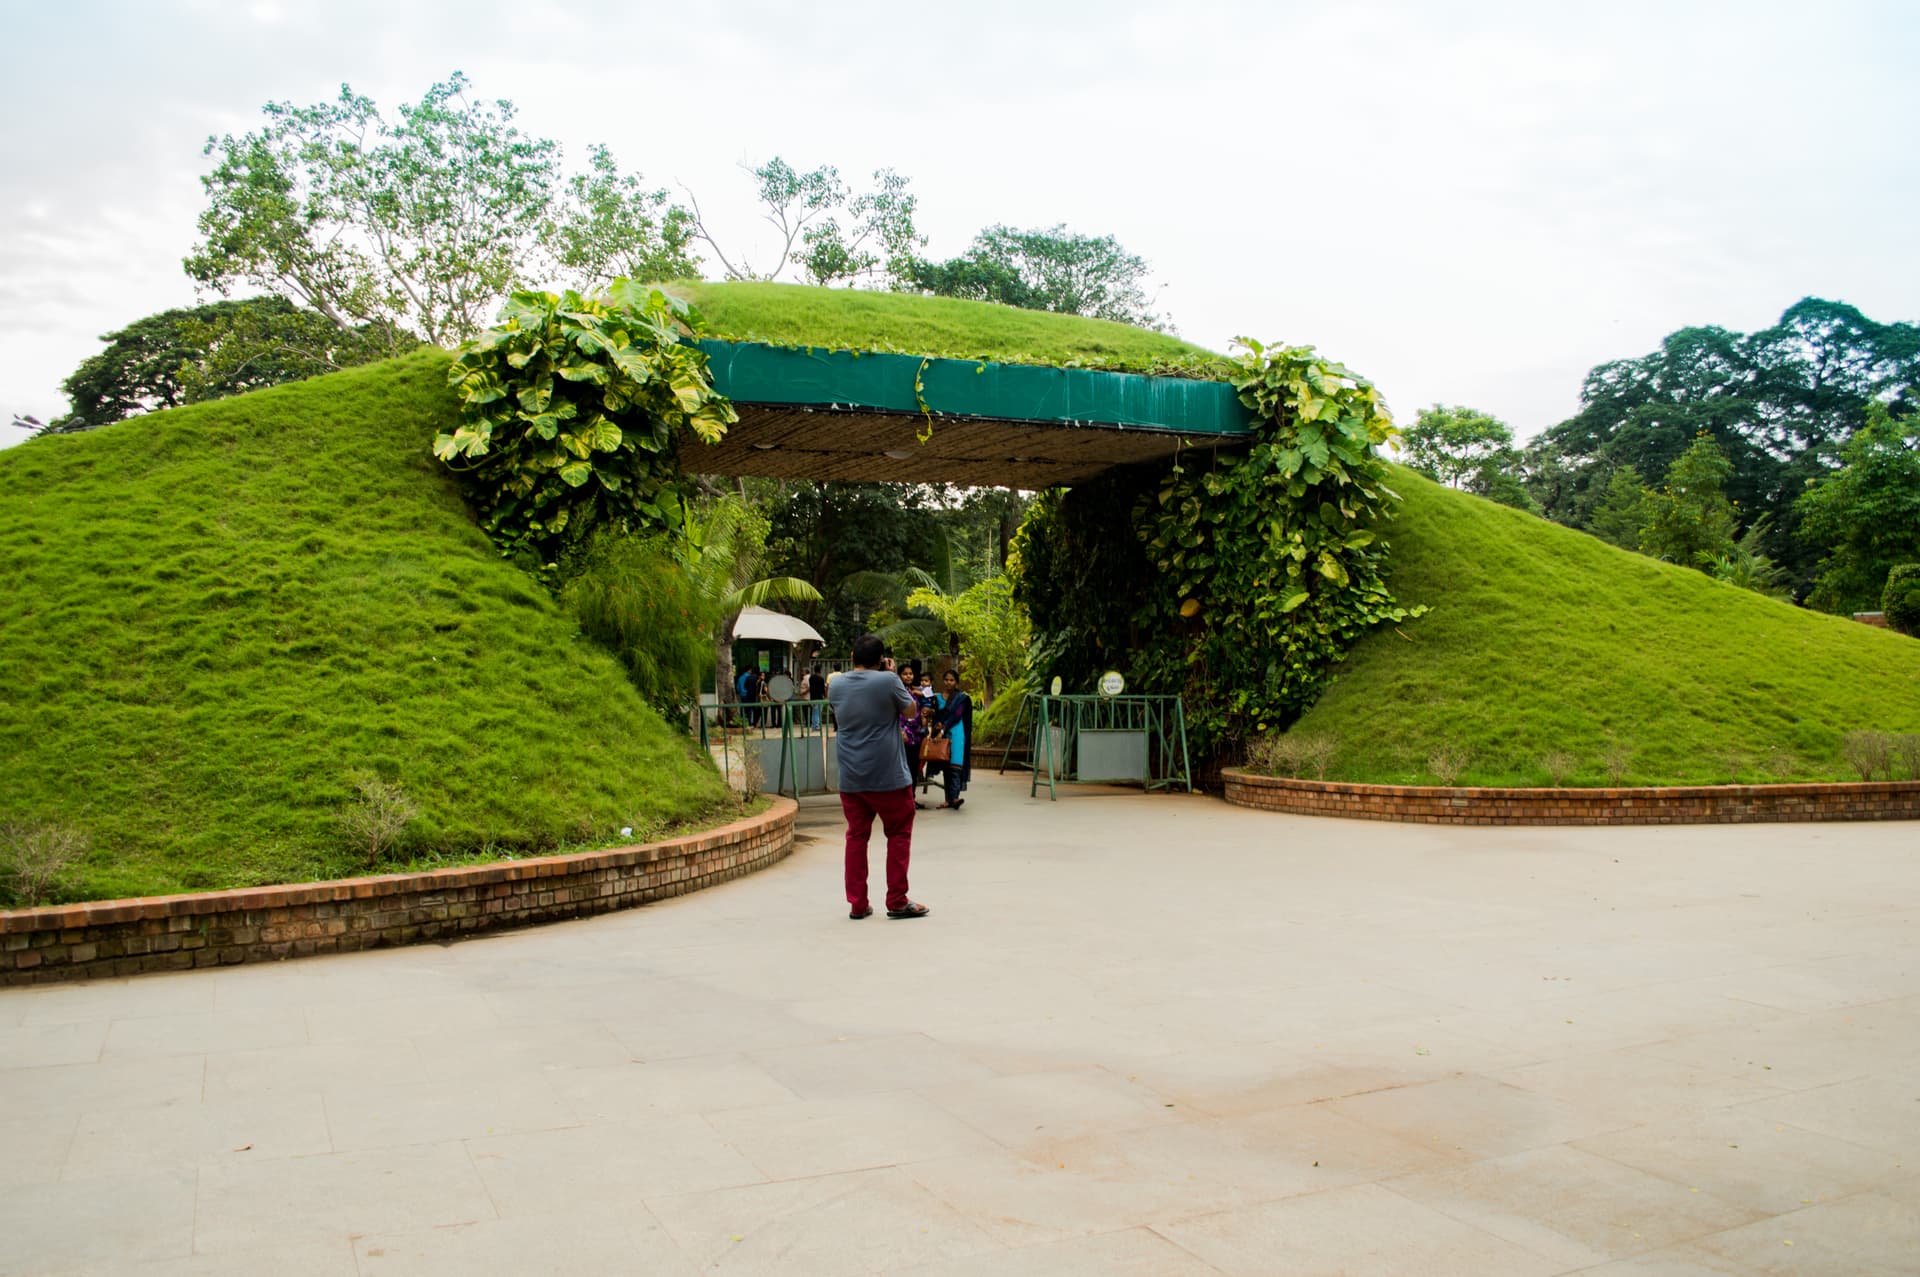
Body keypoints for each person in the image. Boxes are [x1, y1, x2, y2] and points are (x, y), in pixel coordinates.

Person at [827, 635, 930, 920]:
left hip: (851, 775)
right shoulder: (888, 681)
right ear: (882, 660)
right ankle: (897, 900)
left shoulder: (835, 685)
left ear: (851, 657)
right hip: (889, 775)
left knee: (856, 837)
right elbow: (911, 710)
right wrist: (891, 675)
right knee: (898, 833)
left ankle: (858, 904)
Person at [929, 667, 974, 810]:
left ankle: (954, 798)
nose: (949, 682)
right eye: (946, 680)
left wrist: (943, 728)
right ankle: (948, 800)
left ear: (956, 682)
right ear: (943, 681)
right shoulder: (937, 698)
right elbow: (935, 716)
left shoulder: (961, 699)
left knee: (955, 766)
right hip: (942, 736)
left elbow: (956, 715)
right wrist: (937, 726)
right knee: (946, 767)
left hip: (957, 733)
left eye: (952, 680)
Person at [806, 665, 827, 731]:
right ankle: (816, 726)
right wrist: (825, 696)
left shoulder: (811, 678)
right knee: (818, 712)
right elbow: (823, 689)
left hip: (812, 697)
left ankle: (813, 725)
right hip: (819, 697)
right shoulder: (821, 678)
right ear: (820, 670)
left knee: (814, 712)